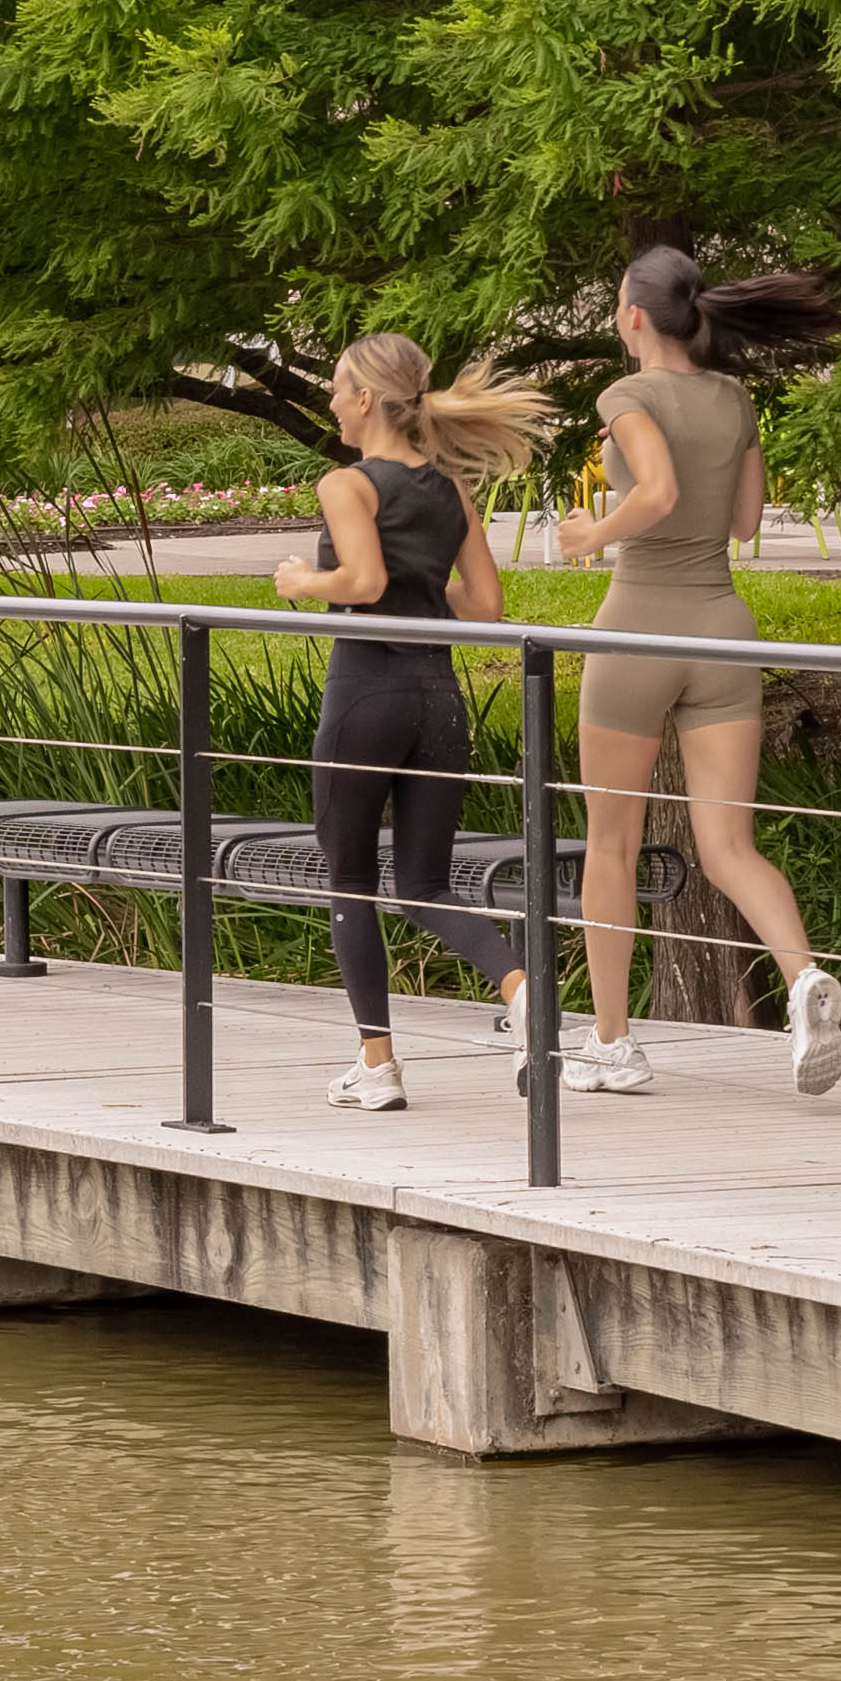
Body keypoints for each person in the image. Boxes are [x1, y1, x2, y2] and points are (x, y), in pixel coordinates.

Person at [563, 243, 841, 1097]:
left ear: (635, 318)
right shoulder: (733, 396)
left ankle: (613, 1045)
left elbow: (652, 495)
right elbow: (745, 520)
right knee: (729, 844)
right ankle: (803, 980)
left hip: (639, 631)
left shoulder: (627, 394)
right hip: (723, 630)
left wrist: (590, 534)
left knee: (611, 844)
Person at [276, 332, 541, 1116]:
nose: (328, 401)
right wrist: (420, 593)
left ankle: (378, 1065)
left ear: (365, 398)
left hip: (365, 695)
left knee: (351, 881)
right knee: (425, 883)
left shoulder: (346, 484)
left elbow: (362, 580)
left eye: (334, 388)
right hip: (438, 702)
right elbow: (485, 608)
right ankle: (522, 990)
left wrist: (302, 581)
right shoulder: (450, 489)